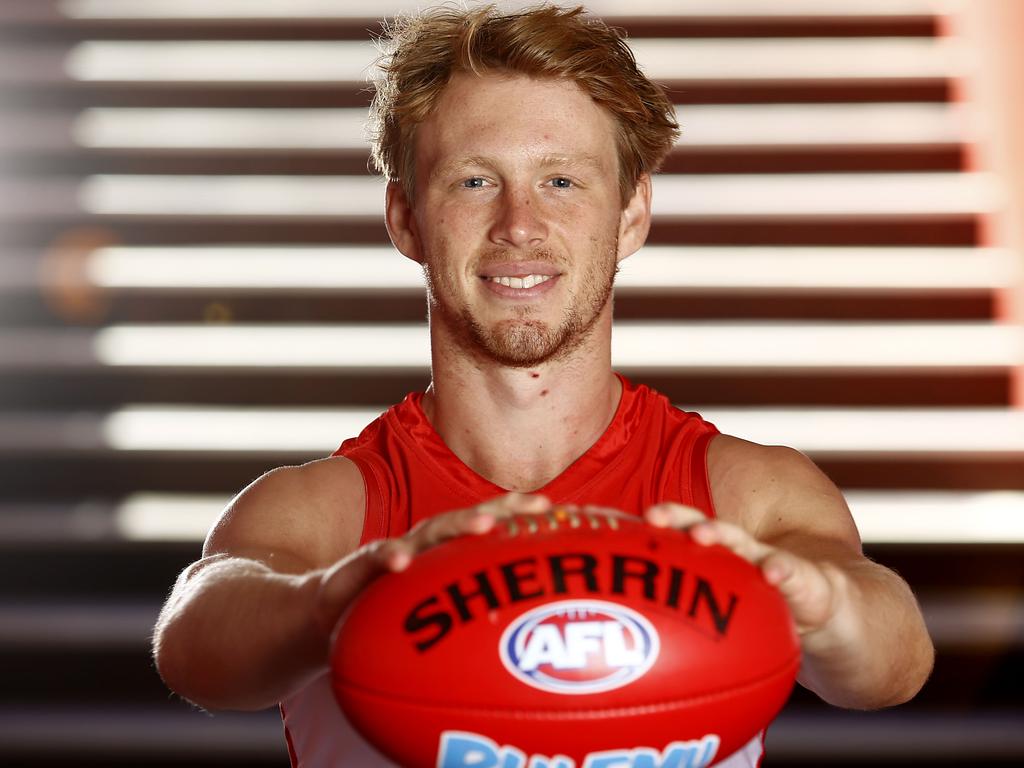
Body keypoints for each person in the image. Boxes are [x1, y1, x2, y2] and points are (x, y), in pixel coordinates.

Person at [152, 5, 934, 767]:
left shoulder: (749, 496)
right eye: (473, 182)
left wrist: (822, 605)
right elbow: (197, 636)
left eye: (561, 181)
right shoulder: (328, 515)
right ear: (406, 218)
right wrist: (330, 604)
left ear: (631, 216)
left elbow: (893, 661)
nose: (519, 224)